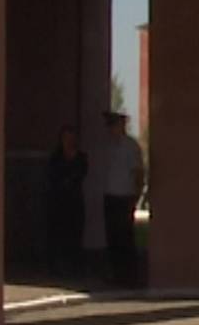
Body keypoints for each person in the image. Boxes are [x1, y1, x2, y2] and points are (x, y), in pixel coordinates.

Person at [95, 109, 144, 287]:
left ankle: (129, 275)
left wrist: (136, 195)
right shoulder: (107, 146)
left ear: (121, 125)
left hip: (125, 196)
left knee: (125, 237)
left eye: (113, 124)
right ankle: (116, 274)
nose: (110, 129)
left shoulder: (131, 146)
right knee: (112, 236)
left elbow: (138, 173)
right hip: (110, 195)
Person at [44, 125, 88, 280]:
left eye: (71, 138)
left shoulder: (81, 157)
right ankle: (57, 266)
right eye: (65, 138)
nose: (68, 141)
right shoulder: (55, 157)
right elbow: (52, 175)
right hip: (58, 201)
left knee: (75, 233)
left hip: (74, 201)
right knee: (58, 233)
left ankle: (74, 265)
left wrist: (70, 179)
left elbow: (81, 173)